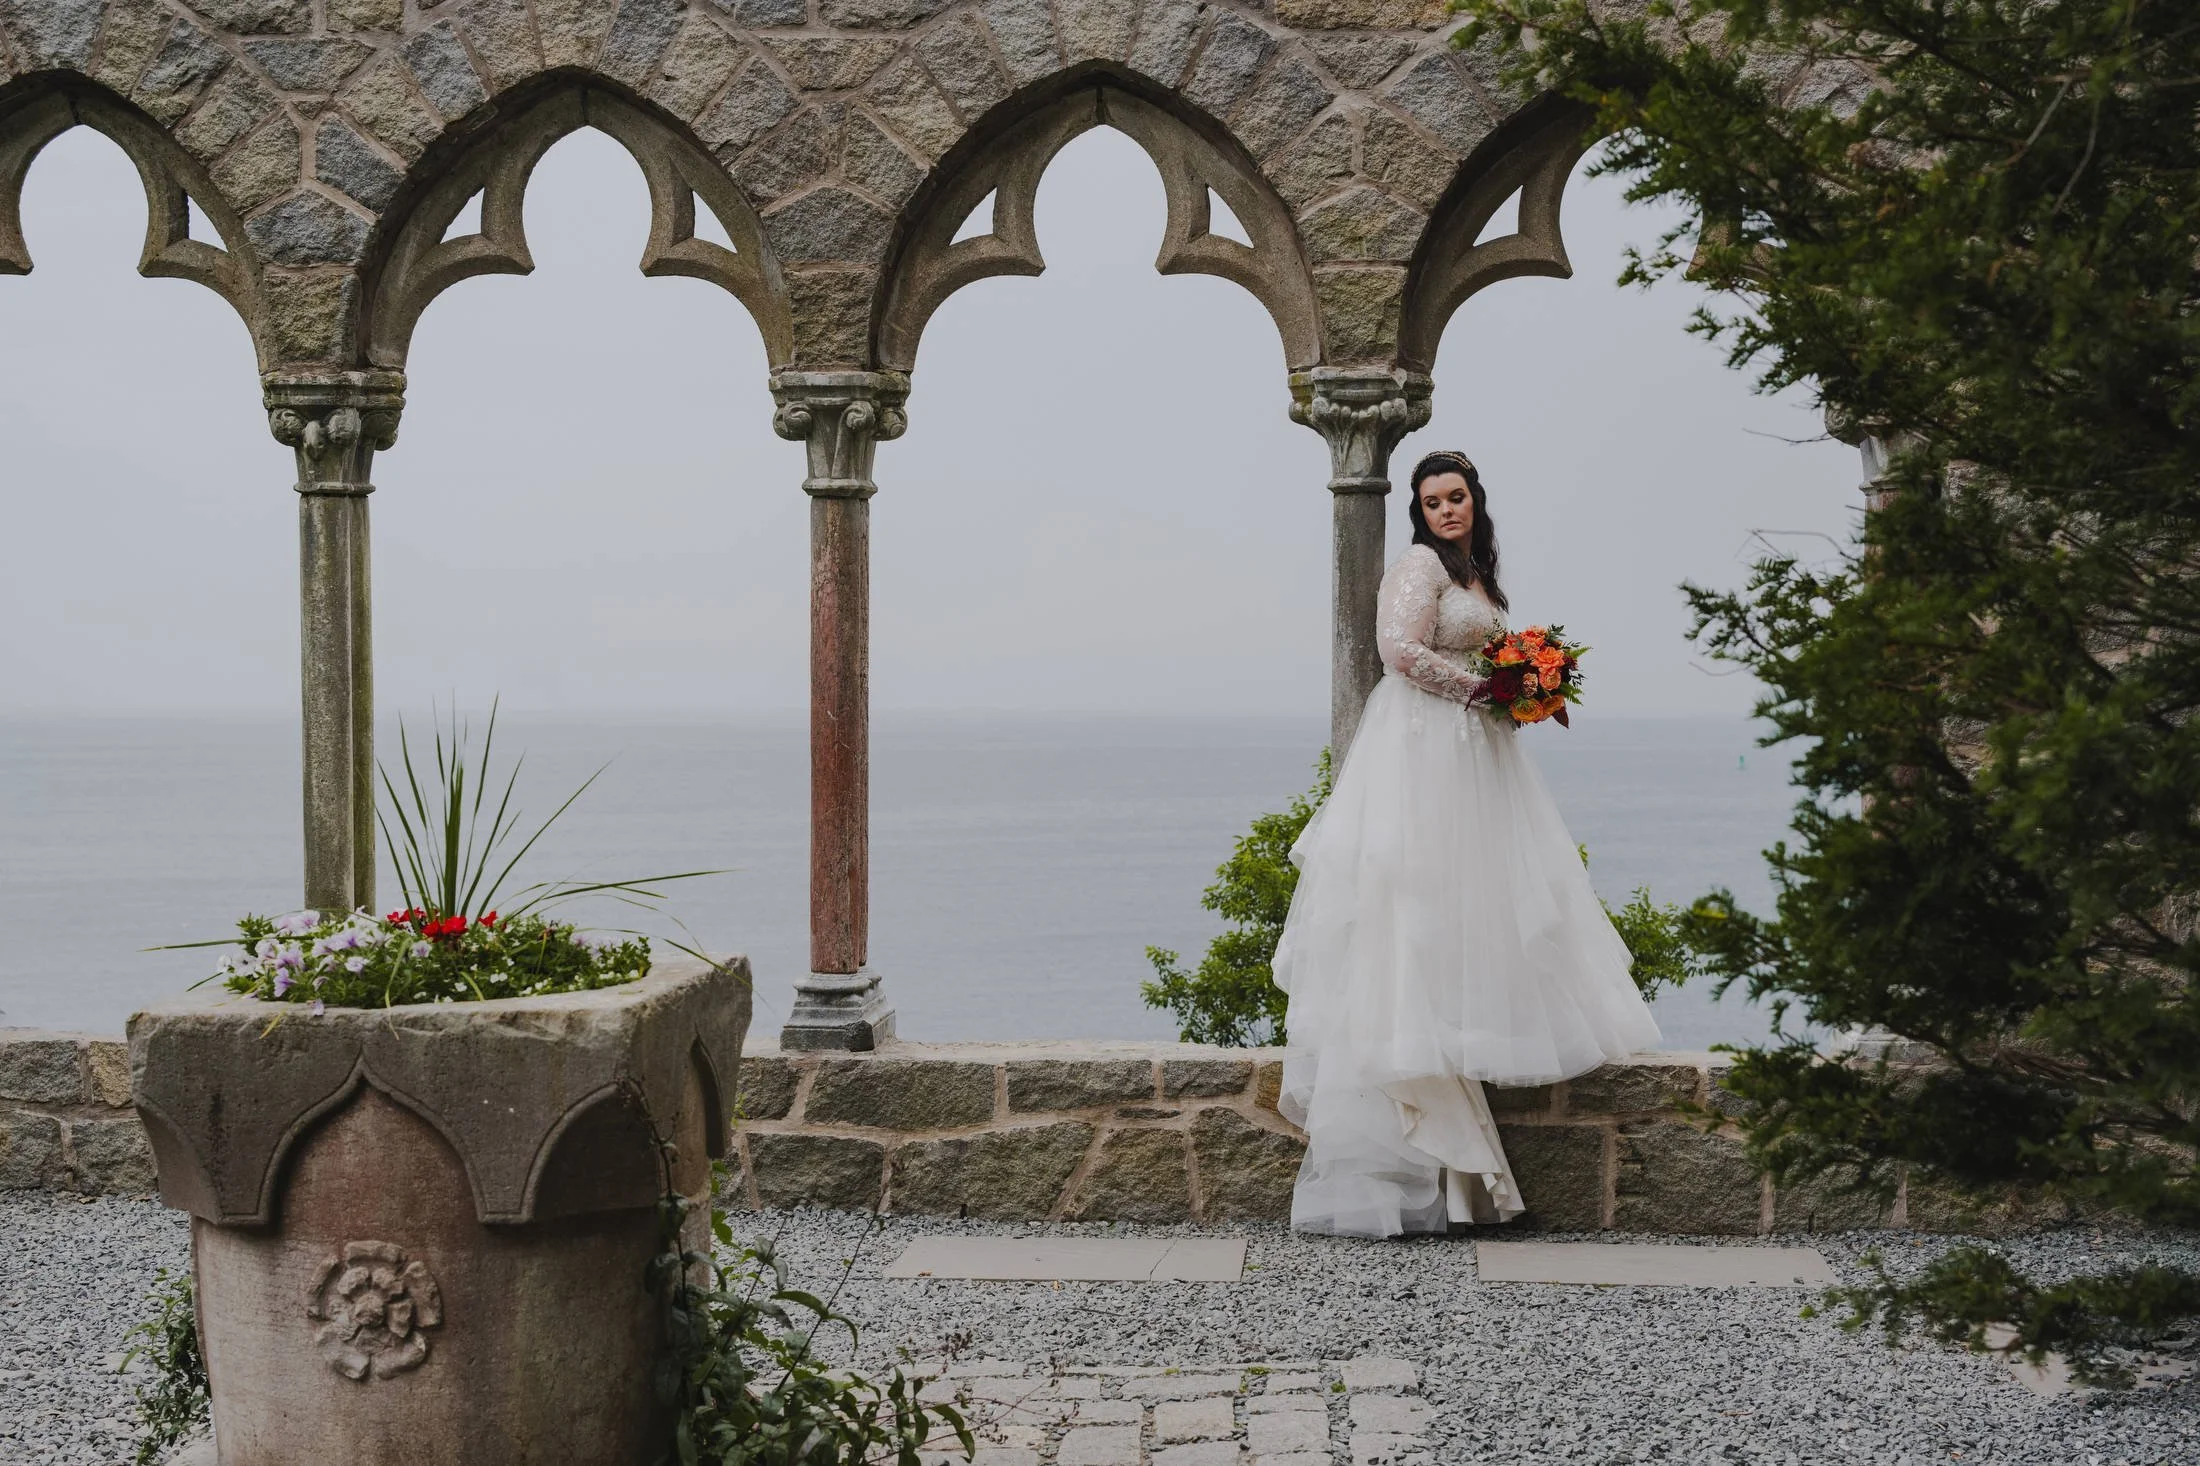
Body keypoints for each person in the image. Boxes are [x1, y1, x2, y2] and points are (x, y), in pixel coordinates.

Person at [1273, 450, 1661, 1238]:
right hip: (1424, 748)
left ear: (1475, 501)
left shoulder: (1478, 576)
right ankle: (1425, 1157)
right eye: (1433, 501)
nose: (1447, 509)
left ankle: (1465, 1174)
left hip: (1473, 754)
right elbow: (1398, 651)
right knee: (1414, 917)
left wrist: (1525, 684)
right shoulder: (1420, 565)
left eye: (1457, 497)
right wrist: (1484, 689)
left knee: (1471, 920)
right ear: (1419, 512)